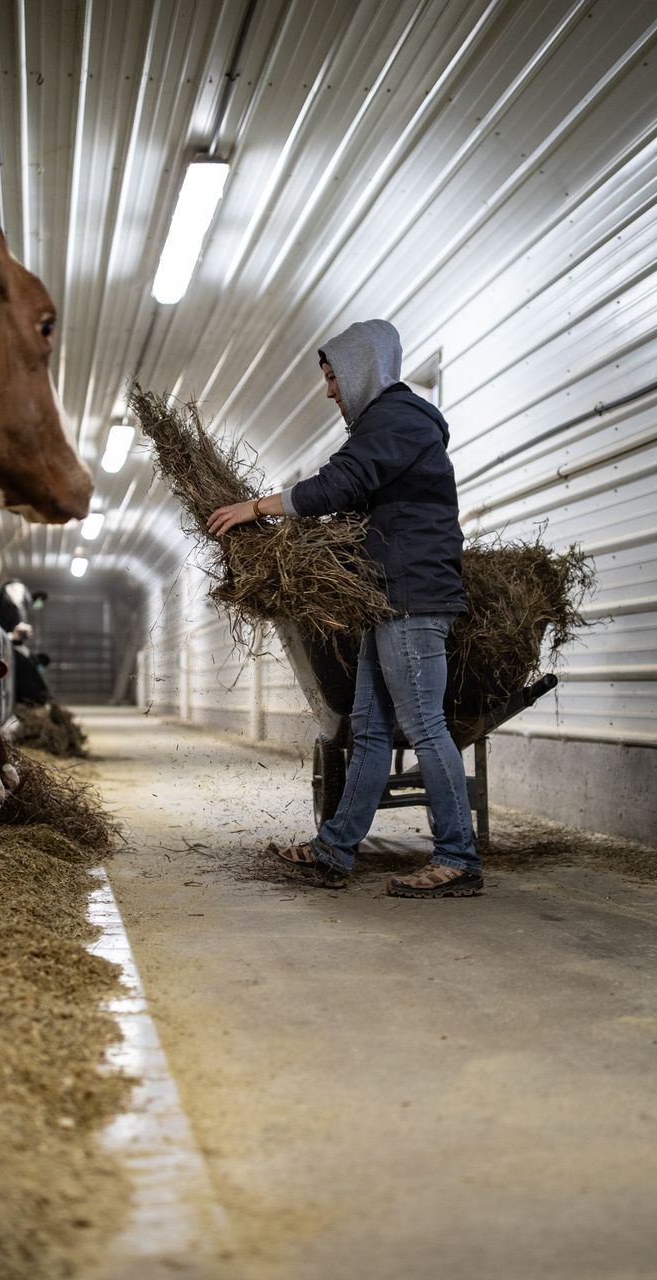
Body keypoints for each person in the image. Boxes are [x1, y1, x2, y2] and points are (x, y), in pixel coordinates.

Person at [206, 319, 480, 898]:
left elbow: (339, 485)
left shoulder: (397, 418)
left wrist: (256, 508)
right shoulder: (389, 424)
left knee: (425, 728)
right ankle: (335, 848)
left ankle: (458, 858)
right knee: (370, 729)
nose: (330, 391)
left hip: (411, 595)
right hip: (386, 595)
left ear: (359, 370)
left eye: (333, 377)